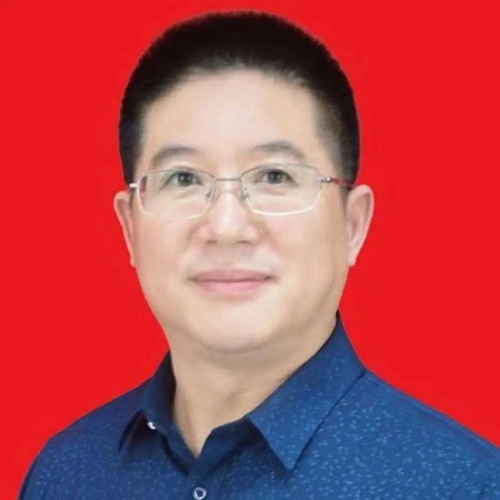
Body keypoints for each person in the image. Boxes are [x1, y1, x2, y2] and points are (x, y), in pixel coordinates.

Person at [20, 10, 499, 499]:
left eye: (274, 176)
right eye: (183, 178)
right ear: (129, 227)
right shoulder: (65, 475)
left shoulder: (464, 485)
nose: (226, 228)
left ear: (352, 224)